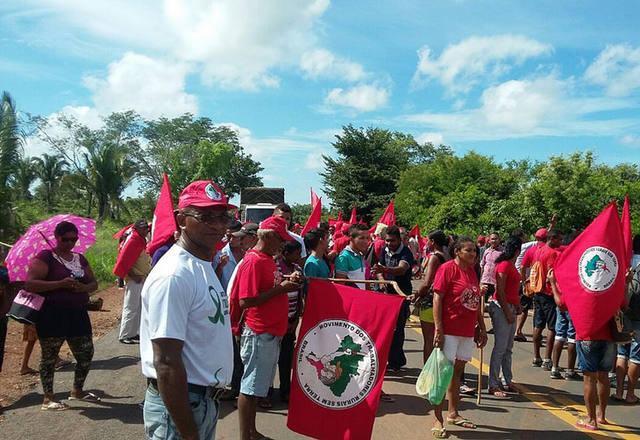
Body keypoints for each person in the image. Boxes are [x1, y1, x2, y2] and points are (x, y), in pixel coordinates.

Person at [140, 180, 235, 440]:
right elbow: (167, 362)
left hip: (203, 401)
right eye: (205, 217)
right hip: (182, 405)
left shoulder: (202, 264)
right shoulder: (174, 275)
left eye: (222, 217)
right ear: (182, 220)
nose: (217, 225)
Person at [230, 216, 303, 440]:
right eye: (280, 239)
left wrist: (287, 279)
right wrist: (282, 289)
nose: (283, 245)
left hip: (269, 332)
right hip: (259, 332)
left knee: (255, 387)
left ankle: (251, 431)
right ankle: (246, 435)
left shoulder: (266, 259)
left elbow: (269, 284)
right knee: (250, 387)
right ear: (269, 236)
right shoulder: (254, 261)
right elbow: (246, 300)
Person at [24, 220, 99, 411]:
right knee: (49, 356)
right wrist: (59, 284)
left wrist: (83, 287)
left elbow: (94, 284)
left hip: (77, 313)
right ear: (57, 238)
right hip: (52, 314)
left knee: (86, 353)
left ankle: (77, 390)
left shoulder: (79, 259)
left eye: (74, 239)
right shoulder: (46, 257)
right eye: (66, 239)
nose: (70, 243)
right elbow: (31, 284)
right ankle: (48, 398)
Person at [548, 268, 625, 431]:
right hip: (608, 337)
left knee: (589, 379)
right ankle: (601, 415)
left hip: (587, 336)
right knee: (603, 376)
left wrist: (553, 283)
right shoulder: (610, 286)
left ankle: (591, 419)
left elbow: (561, 304)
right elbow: (623, 303)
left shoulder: (581, 287)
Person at [431, 236, 488, 438]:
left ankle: (453, 413)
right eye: (469, 250)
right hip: (449, 330)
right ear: (457, 251)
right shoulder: (446, 269)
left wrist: (481, 327)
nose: (473, 254)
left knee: (457, 373)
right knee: (443, 374)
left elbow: (474, 302)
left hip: (466, 331)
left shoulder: (472, 271)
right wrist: (439, 329)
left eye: (474, 251)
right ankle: (437, 418)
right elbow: (437, 298)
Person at [373, 225, 414, 372]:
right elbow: (378, 268)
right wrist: (381, 279)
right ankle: (397, 358)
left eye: (392, 241)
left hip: (401, 294)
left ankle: (395, 362)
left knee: (398, 329)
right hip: (387, 294)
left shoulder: (406, 252)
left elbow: (401, 269)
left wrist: (383, 270)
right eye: (387, 241)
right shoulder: (384, 250)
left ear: (399, 239)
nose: (390, 244)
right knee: (388, 328)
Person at [487, 236, 522, 398]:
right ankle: (493, 384)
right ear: (517, 250)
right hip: (502, 308)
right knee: (500, 348)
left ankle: (507, 380)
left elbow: (511, 289)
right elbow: (499, 291)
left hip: (511, 307)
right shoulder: (504, 265)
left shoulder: (511, 265)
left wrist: (517, 306)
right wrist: (508, 313)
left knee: (507, 348)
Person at [411, 230, 449, 363]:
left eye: (427, 240)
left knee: (429, 339)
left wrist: (416, 295)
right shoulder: (447, 256)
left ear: (433, 242)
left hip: (430, 301)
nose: (426, 242)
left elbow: (427, 283)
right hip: (443, 301)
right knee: (440, 337)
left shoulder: (434, 257)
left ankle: (428, 372)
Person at [612, 234, 640, 404]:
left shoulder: (624, 262)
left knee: (622, 352)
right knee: (636, 356)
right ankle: (630, 393)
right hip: (638, 316)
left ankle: (619, 391)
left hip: (623, 313)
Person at [114, 219, 151, 344]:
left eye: (147, 228)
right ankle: (124, 334)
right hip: (135, 278)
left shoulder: (140, 240)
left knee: (139, 307)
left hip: (142, 277)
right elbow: (123, 261)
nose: (146, 230)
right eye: (144, 228)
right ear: (137, 229)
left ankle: (133, 333)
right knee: (130, 306)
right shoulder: (133, 240)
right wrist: (132, 276)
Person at [530, 228, 563, 370]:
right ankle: (547, 359)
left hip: (537, 291)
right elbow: (552, 274)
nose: (561, 242)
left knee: (538, 325)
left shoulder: (538, 251)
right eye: (560, 239)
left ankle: (536, 357)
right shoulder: (553, 253)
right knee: (552, 327)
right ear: (553, 239)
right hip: (549, 293)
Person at [276, 240, 303, 402]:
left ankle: (285, 391)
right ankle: (266, 392)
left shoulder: (298, 270)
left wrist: (295, 321)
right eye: (296, 253)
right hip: (277, 321)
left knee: (286, 360)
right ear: (286, 254)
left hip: (291, 321)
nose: (299, 257)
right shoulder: (276, 268)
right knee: (271, 360)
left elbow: (300, 297)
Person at [515, 228, 548, 342]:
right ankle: (518, 331)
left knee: (517, 305)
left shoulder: (521, 247)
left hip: (519, 280)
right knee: (525, 307)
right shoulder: (534, 248)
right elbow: (523, 267)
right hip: (532, 283)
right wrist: (525, 282)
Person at [215, 220, 244, 291]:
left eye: (234, 236)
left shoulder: (248, 254)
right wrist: (220, 267)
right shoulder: (220, 255)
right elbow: (214, 281)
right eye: (228, 236)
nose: (231, 240)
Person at [480, 233, 502, 302]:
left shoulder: (503, 252)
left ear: (499, 240)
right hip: (485, 280)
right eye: (492, 239)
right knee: (481, 302)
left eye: (496, 239)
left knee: (497, 302)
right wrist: (481, 280)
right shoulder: (486, 251)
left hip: (496, 282)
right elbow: (482, 265)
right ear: (489, 241)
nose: (494, 241)